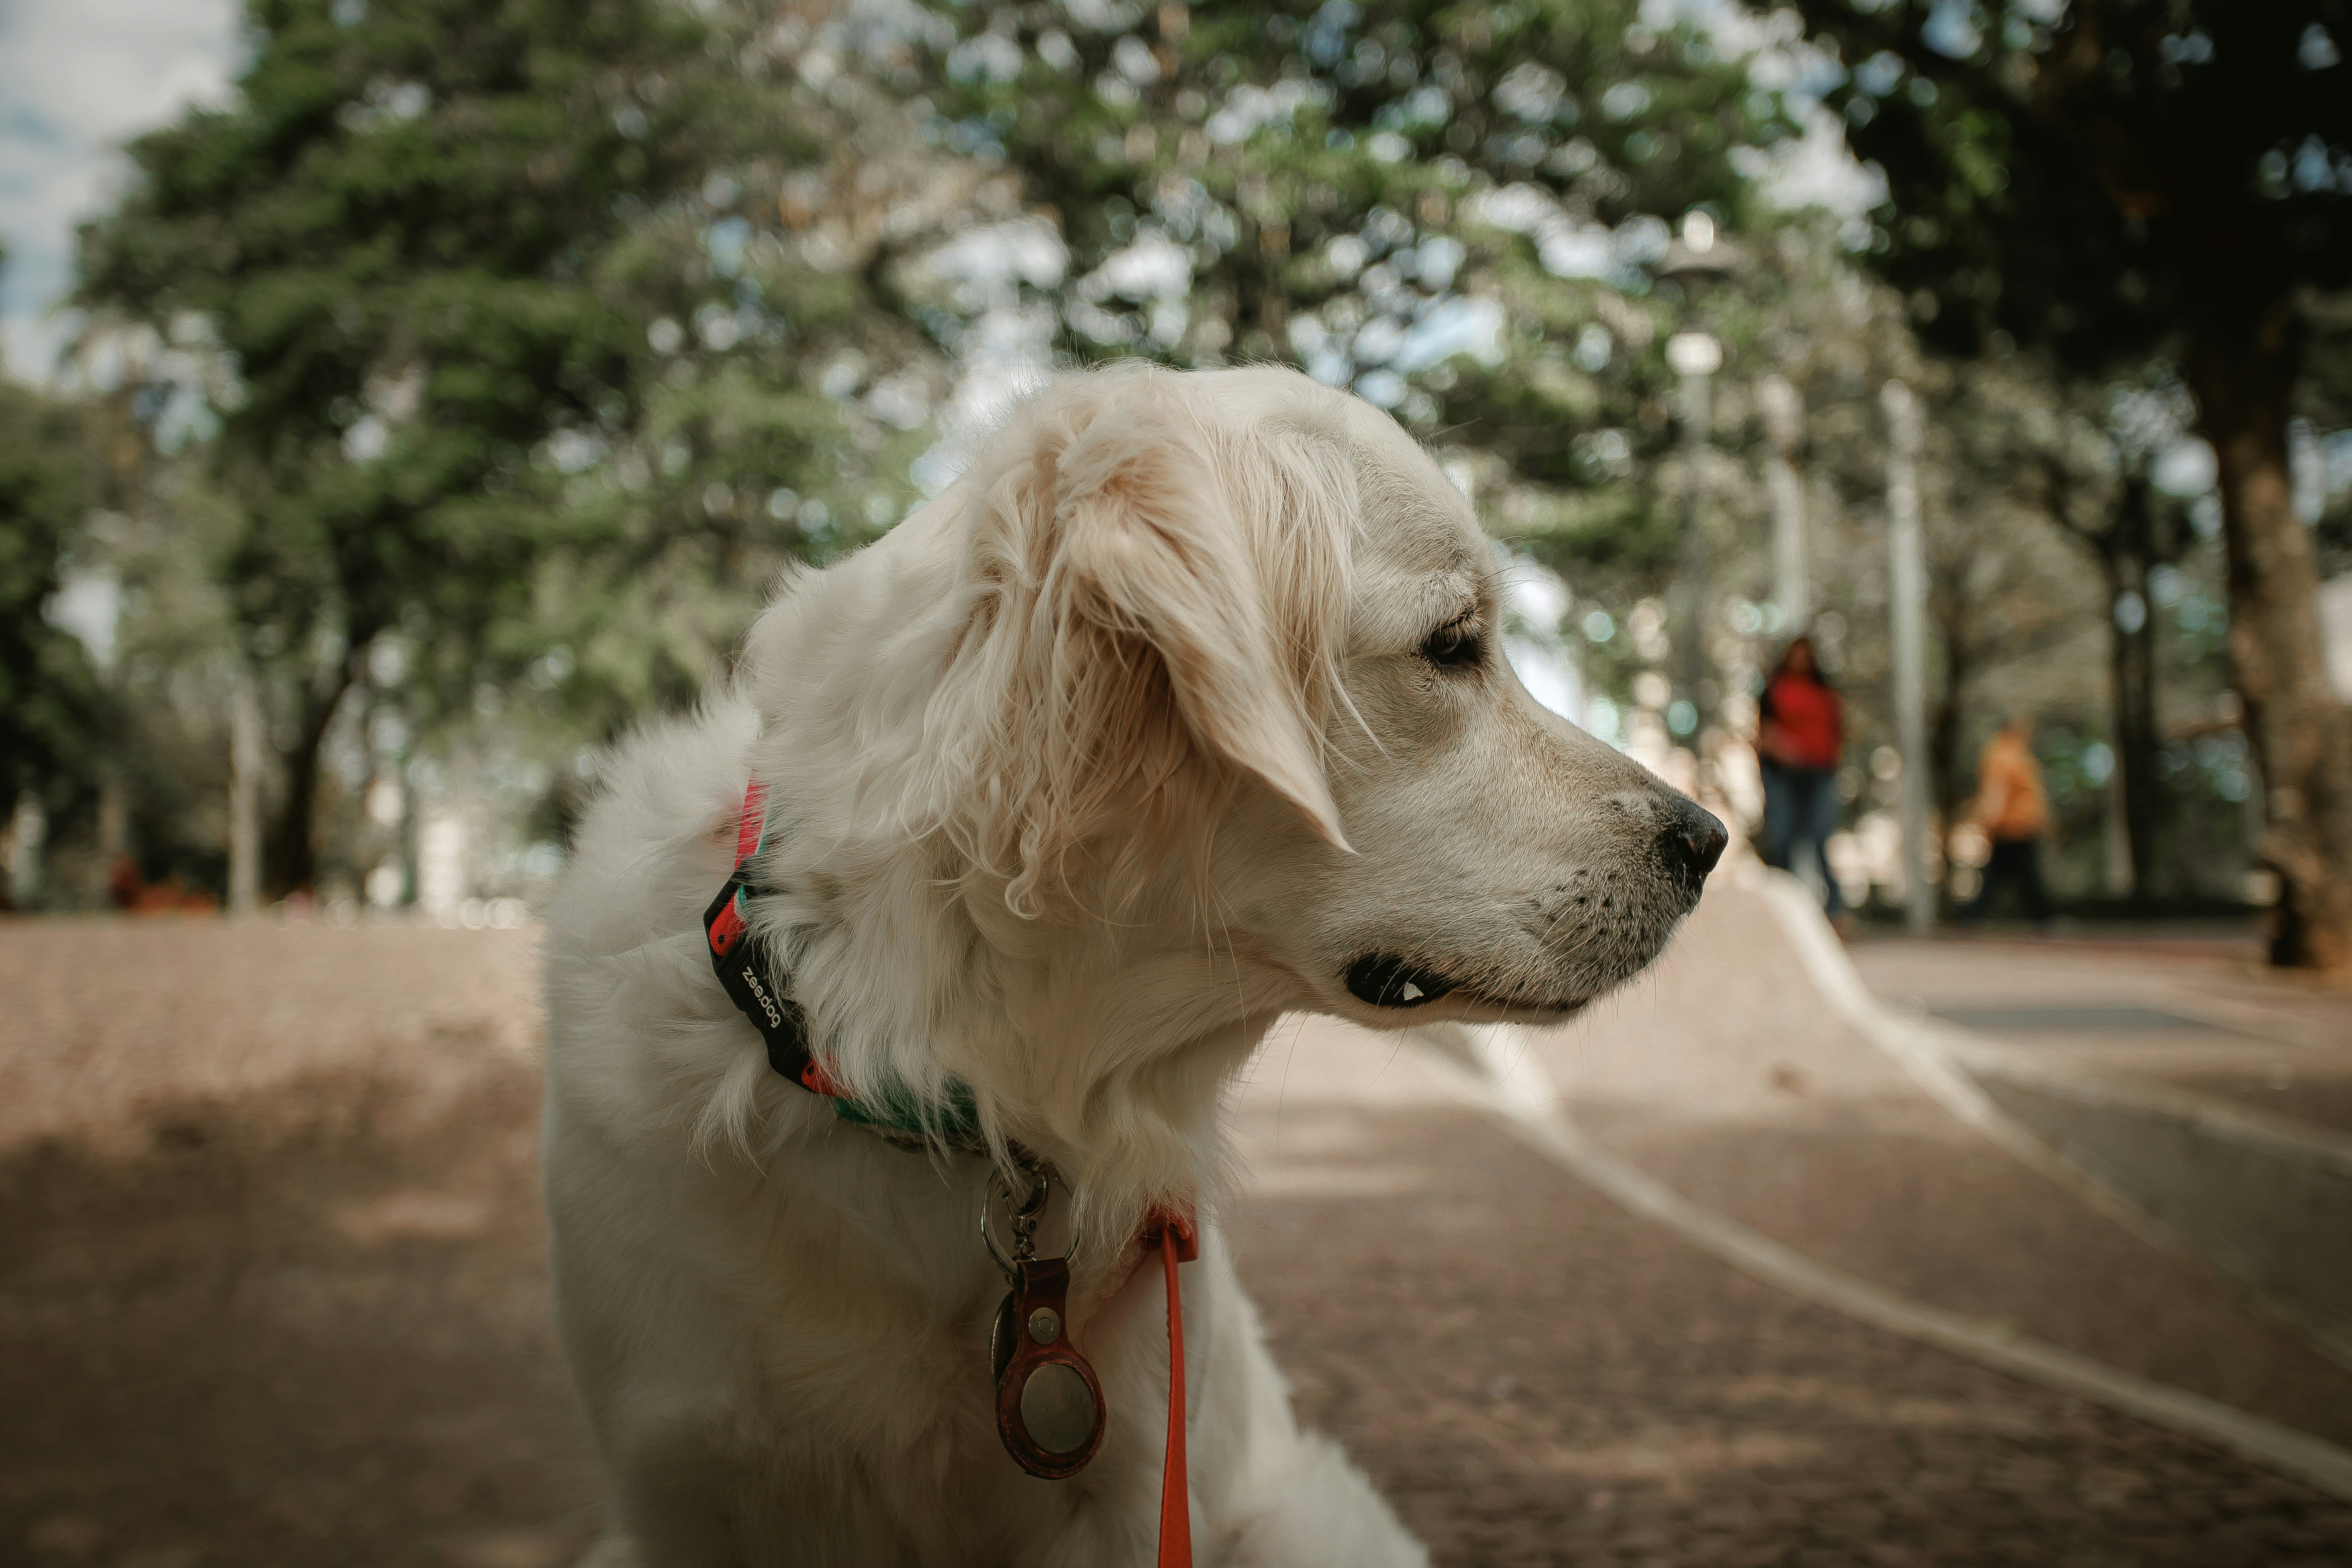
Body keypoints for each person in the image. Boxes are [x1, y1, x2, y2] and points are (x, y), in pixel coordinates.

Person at [1755, 635, 1844, 916]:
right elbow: (1763, 732)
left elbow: (1838, 730)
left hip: (1819, 774)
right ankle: (1780, 909)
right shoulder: (1774, 690)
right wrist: (1782, 748)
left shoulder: (1825, 692)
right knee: (1782, 839)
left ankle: (1835, 909)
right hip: (1784, 775)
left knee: (1821, 838)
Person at [1963, 717, 2052, 924]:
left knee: (2001, 875)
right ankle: (2044, 916)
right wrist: (1990, 817)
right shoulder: (2003, 756)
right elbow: (1996, 790)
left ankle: (1972, 917)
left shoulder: (2017, 755)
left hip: (2020, 826)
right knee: (2025, 874)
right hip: (2012, 828)